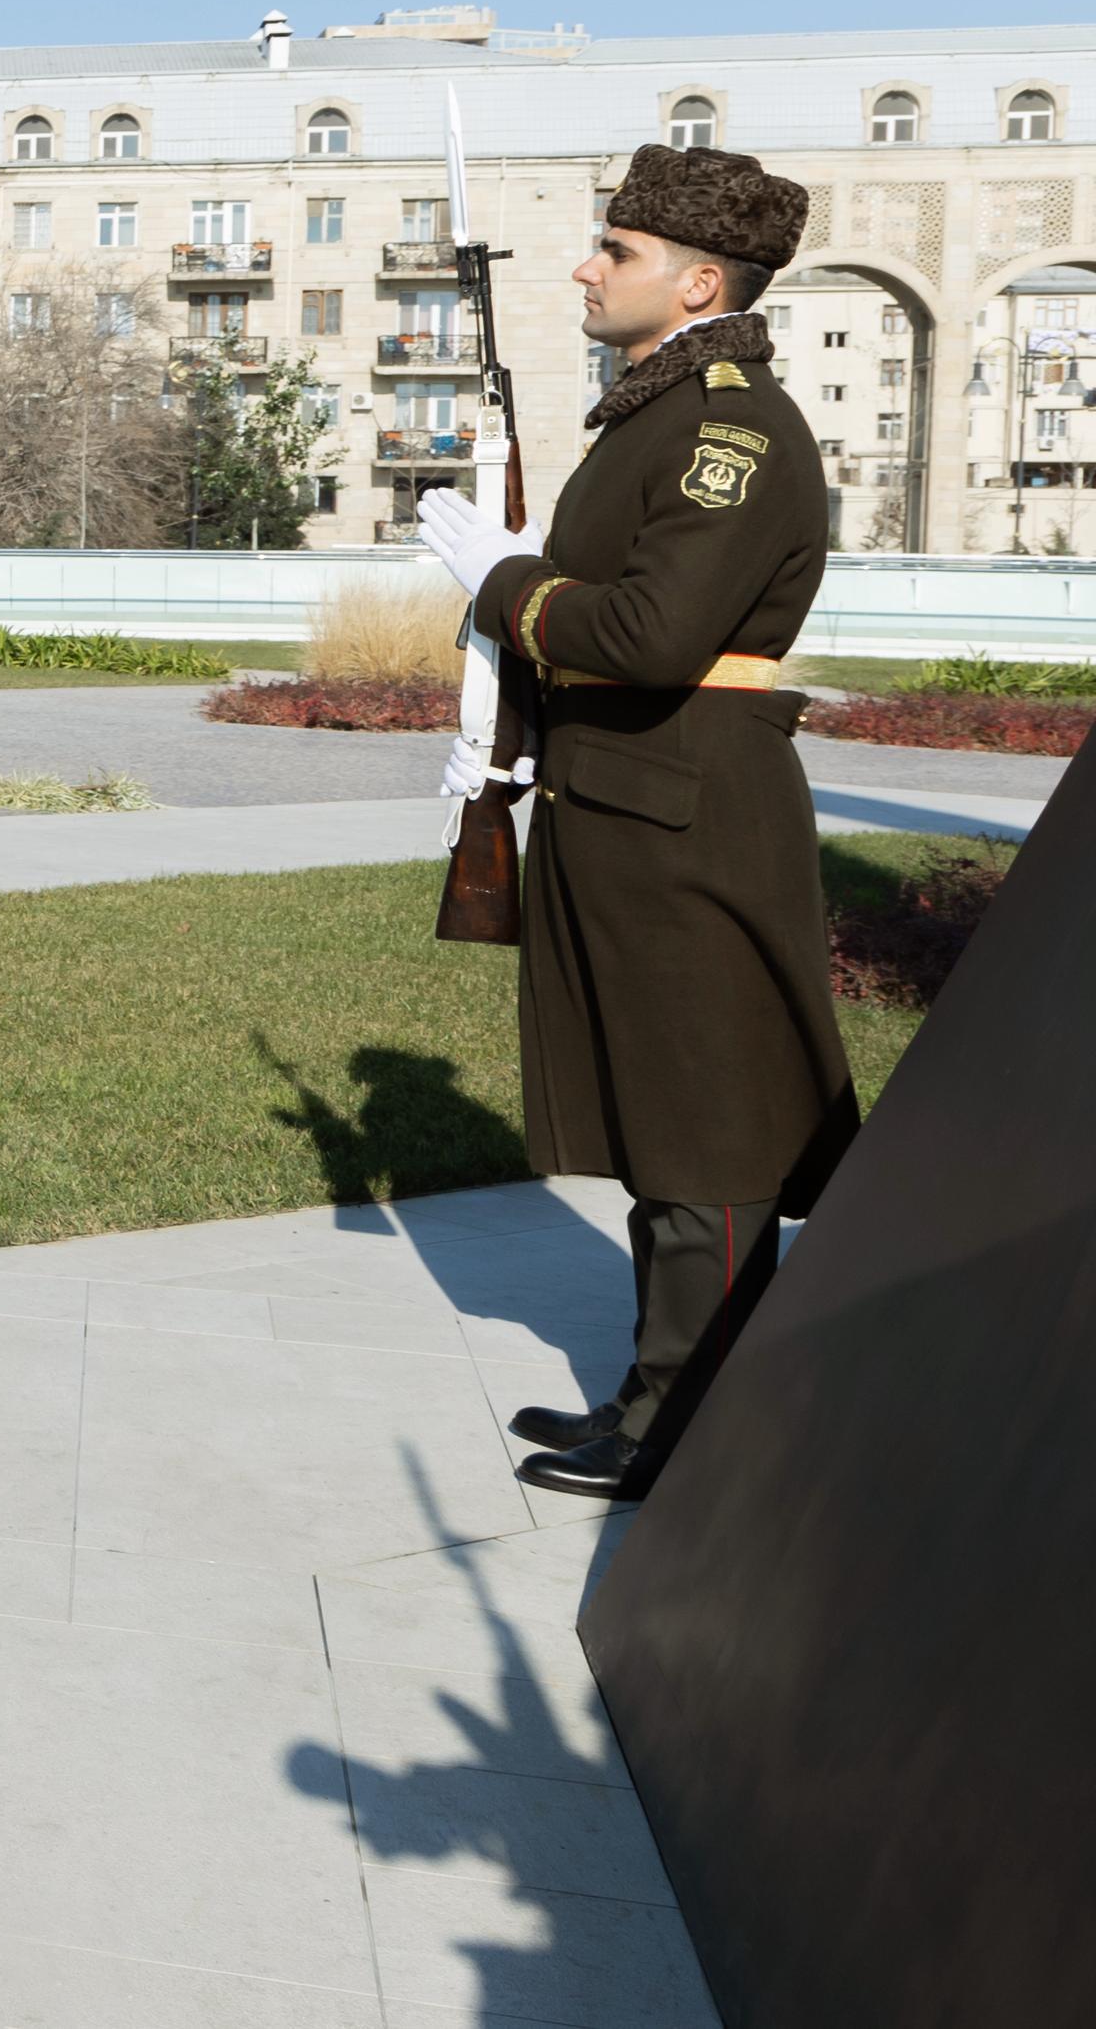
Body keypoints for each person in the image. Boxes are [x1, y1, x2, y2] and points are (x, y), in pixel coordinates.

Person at [418, 141, 859, 1502]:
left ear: (700, 282)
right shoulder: (659, 414)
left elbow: (656, 634)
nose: (585, 268)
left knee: (711, 1127)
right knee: (666, 1123)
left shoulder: (733, 428)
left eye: (616, 251)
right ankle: (656, 1389)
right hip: (630, 800)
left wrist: (506, 585)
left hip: (686, 810)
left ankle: (691, 1424)